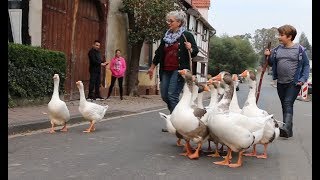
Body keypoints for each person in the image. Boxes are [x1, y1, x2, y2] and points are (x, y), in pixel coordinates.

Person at [147, 10, 199, 131]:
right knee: (165, 95)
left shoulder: (186, 35)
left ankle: (176, 124)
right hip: (165, 70)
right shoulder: (166, 37)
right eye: (168, 20)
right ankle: (175, 118)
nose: (168, 23)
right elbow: (159, 53)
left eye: (171, 21)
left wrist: (191, 48)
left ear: (179, 22)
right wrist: (152, 67)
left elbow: (195, 52)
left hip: (179, 71)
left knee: (172, 95)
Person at [264, 24, 310, 138]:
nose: (279, 37)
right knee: (285, 105)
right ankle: (288, 130)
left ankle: (285, 128)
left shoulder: (299, 50)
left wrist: (302, 79)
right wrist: (268, 56)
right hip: (280, 82)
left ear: (289, 37)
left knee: (288, 103)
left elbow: (306, 65)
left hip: (294, 83)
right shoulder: (277, 50)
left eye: (281, 35)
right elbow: (270, 63)